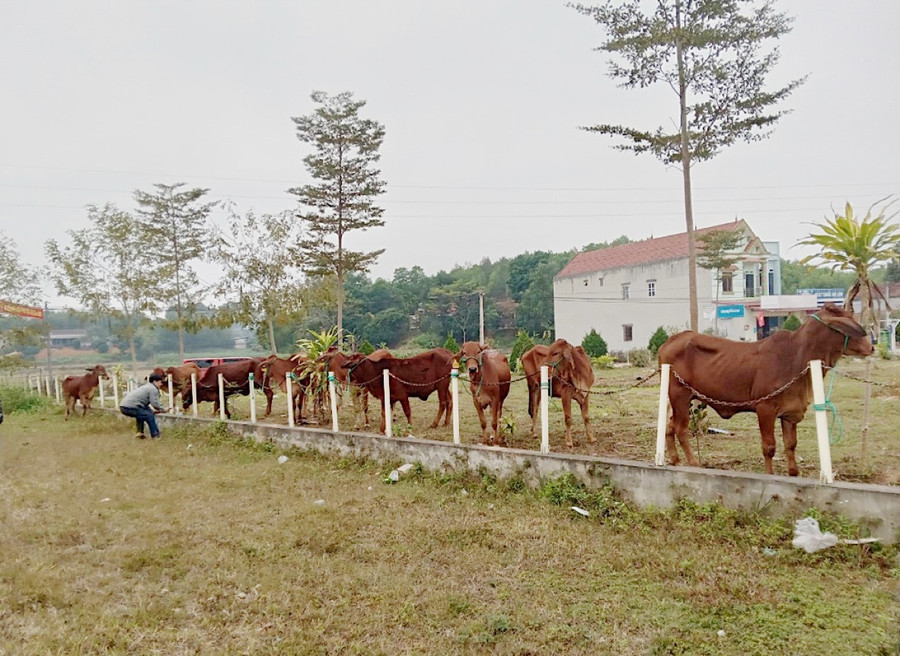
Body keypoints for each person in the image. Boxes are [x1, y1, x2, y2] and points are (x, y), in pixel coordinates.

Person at [119, 373, 170, 439]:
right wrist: (163, 409)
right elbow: (155, 404)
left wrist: (154, 411)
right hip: (130, 407)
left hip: (124, 406)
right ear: (155, 381)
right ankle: (155, 436)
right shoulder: (153, 389)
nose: (161, 384)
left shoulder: (147, 387)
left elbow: (145, 406)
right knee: (149, 416)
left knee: (142, 414)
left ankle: (139, 433)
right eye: (160, 382)